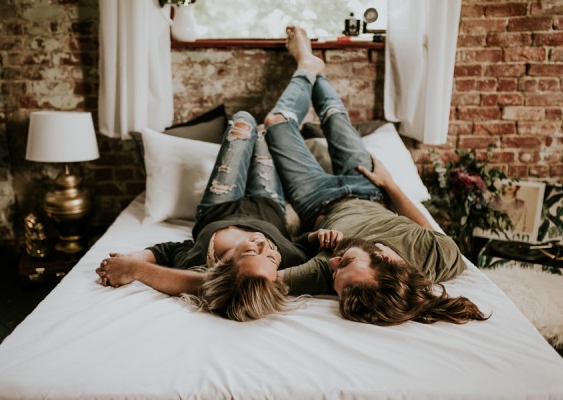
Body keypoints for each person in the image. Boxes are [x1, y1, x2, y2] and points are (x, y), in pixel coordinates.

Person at [263, 26, 488, 326]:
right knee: (333, 116)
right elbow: (426, 229)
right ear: (387, 258)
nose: (333, 262)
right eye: (346, 262)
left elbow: (259, 280)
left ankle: (307, 66)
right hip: (370, 187)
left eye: (335, 275)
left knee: (275, 122)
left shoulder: (329, 269)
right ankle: (311, 64)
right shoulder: (439, 257)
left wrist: (314, 238)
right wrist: (389, 184)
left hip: (316, 200)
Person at [96, 111, 342, 322]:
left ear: (224, 265)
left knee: (243, 120)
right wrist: (318, 236)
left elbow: (166, 251)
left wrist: (136, 260)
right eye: (271, 256)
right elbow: (302, 244)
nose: (264, 245)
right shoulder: (291, 259)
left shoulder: (197, 259)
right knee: (264, 131)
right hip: (267, 202)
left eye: (251, 252)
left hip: (218, 204)